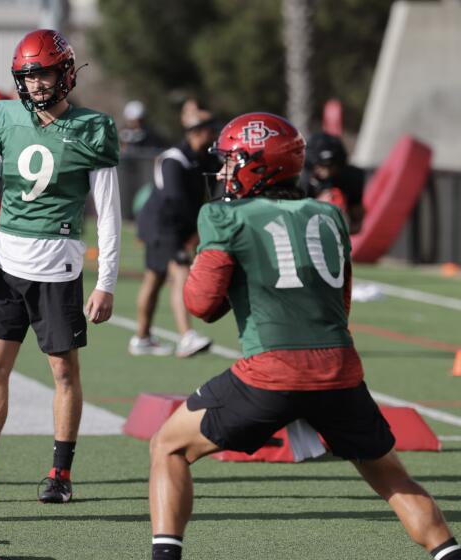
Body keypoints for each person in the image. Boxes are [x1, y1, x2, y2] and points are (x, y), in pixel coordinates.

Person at [148, 112, 460, 560]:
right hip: (340, 371)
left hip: (269, 374)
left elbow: (200, 304)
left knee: (168, 445)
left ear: (258, 165)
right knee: (391, 475)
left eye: (232, 161)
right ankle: (448, 552)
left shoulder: (224, 216)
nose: (224, 171)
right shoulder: (329, 213)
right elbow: (342, 300)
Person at [0, 28, 121, 504]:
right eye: (30, 75)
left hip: (58, 268)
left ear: (67, 73)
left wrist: (107, 281)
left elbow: (108, 208)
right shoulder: (5, 115)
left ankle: (60, 474)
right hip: (7, 264)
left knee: (63, 372)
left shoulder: (93, 127)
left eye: (46, 73)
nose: (38, 84)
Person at [130, 110, 218, 357]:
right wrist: (197, 229)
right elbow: (175, 198)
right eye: (211, 130)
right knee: (179, 271)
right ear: (197, 132)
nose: (215, 136)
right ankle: (186, 337)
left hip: (178, 223)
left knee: (155, 278)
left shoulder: (206, 158)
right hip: (162, 223)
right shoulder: (174, 159)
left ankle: (142, 338)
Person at [300, 131, 365, 234]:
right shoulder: (301, 180)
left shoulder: (351, 176)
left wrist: (342, 215)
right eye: (322, 166)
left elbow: (356, 225)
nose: (327, 171)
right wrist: (317, 205)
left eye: (331, 166)